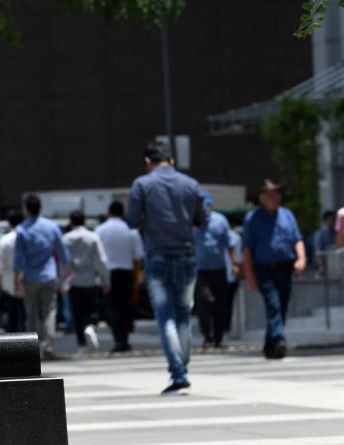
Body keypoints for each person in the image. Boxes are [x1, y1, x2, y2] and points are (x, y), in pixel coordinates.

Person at [127, 140, 205, 395]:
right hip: (186, 255)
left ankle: (178, 373)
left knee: (166, 317)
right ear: (171, 160)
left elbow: (131, 220)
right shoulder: (190, 184)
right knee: (184, 314)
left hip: (158, 256)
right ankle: (183, 365)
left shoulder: (142, 184)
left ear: (148, 162)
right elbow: (202, 220)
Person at [242, 180, 306, 359]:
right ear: (262, 198)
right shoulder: (252, 219)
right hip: (264, 269)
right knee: (273, 305)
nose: (275, 198)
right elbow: (247, 250)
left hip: (285, 267)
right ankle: (279, 339)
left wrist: (301, 258)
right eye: (271, 195)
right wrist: (249, 276)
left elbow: (297, 239)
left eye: (277, 194)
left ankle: (270, 346)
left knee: (282, 306)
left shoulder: (287, 215)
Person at [14, 195, 68, 359]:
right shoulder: (52, 227)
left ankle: (33, 349)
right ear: (40, 207)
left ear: (26, 209)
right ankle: (49, 346)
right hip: (49, 274)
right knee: (50, 311)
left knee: (32, 314)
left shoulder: (22, 229)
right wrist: (66, 274)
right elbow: (63, 253)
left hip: (30, 276)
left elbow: (19, 260)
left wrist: (17, 281)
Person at [95, 200, 144, 352]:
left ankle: (118, 340)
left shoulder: (100, 230)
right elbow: (138, 256)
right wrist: (140, 275)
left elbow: (97, 255)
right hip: (127, 271)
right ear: (123, 213)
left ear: (109, 212)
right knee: (126, 306)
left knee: (113, 307)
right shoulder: (131, 230)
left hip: (109, 272)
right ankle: (125, 339)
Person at [193, 194, 239, 348]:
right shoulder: (191, 222)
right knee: (204, 301)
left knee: (220, 304)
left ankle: (218, 337)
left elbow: (229, 244)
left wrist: (235, 264)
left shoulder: (220, 221)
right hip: (201, 270)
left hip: (219, 269)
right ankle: (207, 334)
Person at [62, 210, 109, 358]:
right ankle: (90, 326)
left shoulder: (66, 239)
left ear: (71, 222)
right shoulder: (93, 237)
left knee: (77, 313)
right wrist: (105, 280)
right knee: (91, 309)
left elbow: (62, 263)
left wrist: (62, 283)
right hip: (90, 279)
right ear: (84, 220)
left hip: (73, 281)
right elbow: (102, 261)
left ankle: (82, 346)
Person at [0, 209, 26, 333]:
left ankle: (13, 345)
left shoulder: (4, 239)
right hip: (26, 280)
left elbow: (1, 265)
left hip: (9, 281)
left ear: (9, 223)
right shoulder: (27, 236)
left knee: (12, 316)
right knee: (26, 316)